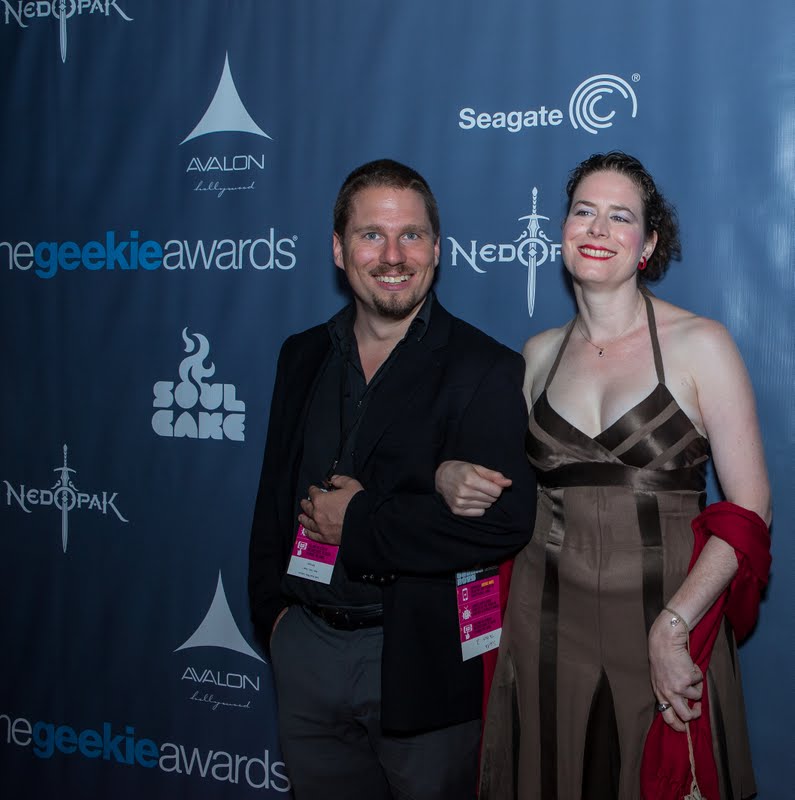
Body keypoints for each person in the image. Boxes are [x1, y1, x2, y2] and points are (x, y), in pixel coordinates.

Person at [435, 152, 772, 799]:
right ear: (560, 229)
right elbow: (500, 482)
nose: (596, 228)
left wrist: (673, 627)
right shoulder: (534, 356)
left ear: (646, 244)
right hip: (543, 628)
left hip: (667, 620)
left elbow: (750, 505)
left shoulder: (701, 344)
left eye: (619, 217)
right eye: (582, 211)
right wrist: (447, 472)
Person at [248, 158, 537, 800]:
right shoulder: (301, 356)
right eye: (371, 235)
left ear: (437, 247)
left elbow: (503, 523)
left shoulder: (484, 367)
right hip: (306, 647)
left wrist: (357, 522)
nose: (392, 254)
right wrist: (274, 618)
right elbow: (273, 497)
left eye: (411, 234)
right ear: (338, 249)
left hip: (419, 661)